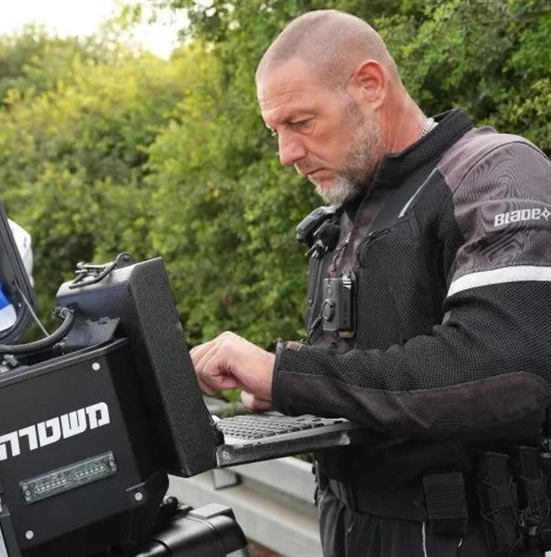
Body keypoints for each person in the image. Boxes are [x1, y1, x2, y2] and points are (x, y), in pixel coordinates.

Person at [190, 9, 551, 557]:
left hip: (463, 533)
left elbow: (504, 369)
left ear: (369, 85)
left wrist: (287, 373)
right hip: (347, 525)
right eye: (276, 132)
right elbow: (368, 377)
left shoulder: (496, 175)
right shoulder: (347, 211)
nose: (286, 154)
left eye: (301, 122)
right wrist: (288, 393)